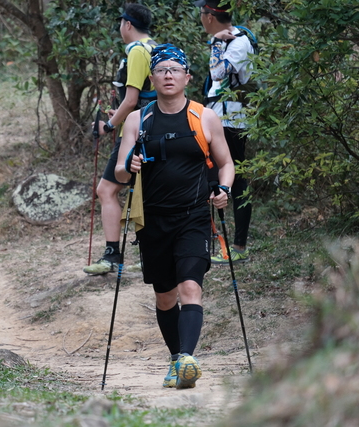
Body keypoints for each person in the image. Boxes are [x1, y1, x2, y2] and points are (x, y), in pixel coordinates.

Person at [115, 44, 234, 389]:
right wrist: (129, 165)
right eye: (161, 70)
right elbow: (120, 173)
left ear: (187, 77)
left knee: (190, 287)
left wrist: (224, 189)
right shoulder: (138, 120)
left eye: (175, 70)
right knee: (165, 297)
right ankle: (175, 359)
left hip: (193, 217)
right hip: (152, 220)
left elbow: (226, 164)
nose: (168, 75)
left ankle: (186, 359)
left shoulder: (204, 117)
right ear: (152, 79)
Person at [83, 3, 157, 275]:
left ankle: (112, 255)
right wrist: (121, 114)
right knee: (148, 192)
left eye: (120, 24)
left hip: (134, 132)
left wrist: (109, 125)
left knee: (107, 190)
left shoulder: (137, 51)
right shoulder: (154, 47)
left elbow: (132, 99)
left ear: (128, 24)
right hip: (152, 126)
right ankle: (151, 254)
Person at [195, 0, 254, 264]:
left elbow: (218, 72)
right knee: (208, 175)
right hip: (218, 117)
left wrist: (217, 43)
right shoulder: (229, 39)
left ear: (209, 16)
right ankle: (207, 240)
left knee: (236, 179)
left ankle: (238, 247)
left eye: (201, 12)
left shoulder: (238, 42)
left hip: (232, 121)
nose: (200, 17)